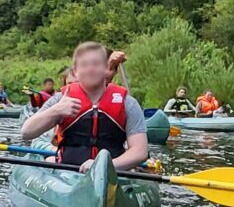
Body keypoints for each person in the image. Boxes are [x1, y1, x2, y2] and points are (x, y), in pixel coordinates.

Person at [22, 41, 148, 172]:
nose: (90, 70)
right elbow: (27, 132)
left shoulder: (128, 103)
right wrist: (56, 111)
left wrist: (104, 165)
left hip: (112, 173)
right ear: (76, 71)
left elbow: (140, 151)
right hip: (67, 174)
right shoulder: (61, 99)